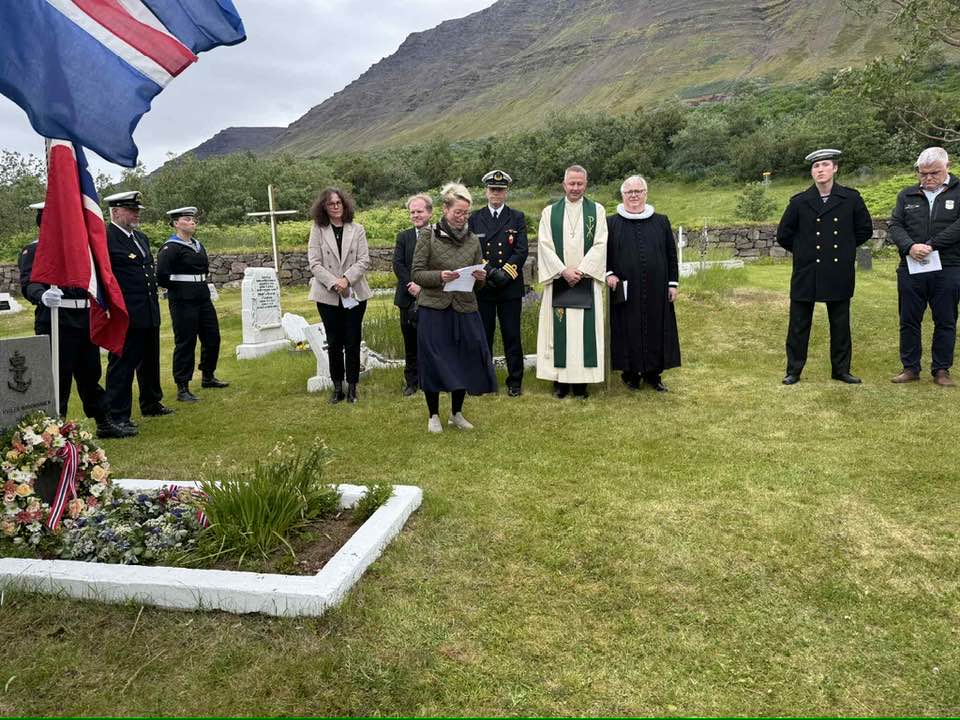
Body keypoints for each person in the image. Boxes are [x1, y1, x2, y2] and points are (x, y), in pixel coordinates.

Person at [17, 202, 127, 438]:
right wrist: (42, 295)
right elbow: (29, 283)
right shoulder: (35, 250)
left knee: (90, 374)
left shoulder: (79, 250)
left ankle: (104, 421)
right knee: (59, 378)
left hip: (82, 318)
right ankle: (55, 430)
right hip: (56, 319)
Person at [775, 149, 873, 385]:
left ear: (835, 168)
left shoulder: (851, 198)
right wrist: (803, 252)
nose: (820, 170)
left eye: (825, 165)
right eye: (815, 166)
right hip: (806, 270)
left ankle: (841, 370)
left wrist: (844, 249)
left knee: (840, 323)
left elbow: (864, 230)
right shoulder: (799, 201)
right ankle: (794, 370)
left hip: (838, 270)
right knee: (799, 324)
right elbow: (783, 234)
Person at [411, 182, 496, 432]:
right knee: (434, 360)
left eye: (466, 213)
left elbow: (475, 285)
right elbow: (417, 273)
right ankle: (433, 415)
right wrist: (440, 276)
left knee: (465, 358)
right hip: (434, 309)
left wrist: (480, 279)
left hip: (465, 308)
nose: (462, 217)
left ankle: (456, 413)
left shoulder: (472, 241)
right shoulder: (428, 235)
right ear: (445, 209)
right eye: (458, 212)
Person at [888, 147, 960, 387]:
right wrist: (910, 247)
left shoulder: (958, 192)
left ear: (947, 166)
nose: (928, 178)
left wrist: (931, 245)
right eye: (923, 173)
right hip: (911, 266)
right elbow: (895, 226)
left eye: (934, 173)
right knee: (908, 318)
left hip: (948, 266)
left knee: (945, 319)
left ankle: (941, 370)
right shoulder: (906, 195)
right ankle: (910, 367)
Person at [101, 190, 172, 433]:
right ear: (116, 211)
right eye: (132, 210)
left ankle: (151, 401)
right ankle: (117, 415)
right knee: (123, 363)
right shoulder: (106, 237)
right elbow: (105, 277)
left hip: (148, 309)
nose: (136, 214)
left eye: (137, 210)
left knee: (149, 359)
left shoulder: (139, 238)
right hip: (126, 311)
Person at [535, 164, 608, 398]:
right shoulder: (549, 213)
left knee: (583, 335)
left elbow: (601, 243)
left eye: (580, 183)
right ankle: (560, 382)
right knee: (559, 334)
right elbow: (544, 245)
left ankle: (582, 383)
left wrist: (583, 270)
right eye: (571, 183)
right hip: (559, 279)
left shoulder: (597, 211)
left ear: (586, 184)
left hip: (586, 280)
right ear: (563, 184)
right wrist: (562, 270)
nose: (575, 188)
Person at [605, 176, 681, 392]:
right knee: (628, 329)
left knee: (657, 327)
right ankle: (630, 374)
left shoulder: (661, 221)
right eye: (630, 192)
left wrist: (672, 284)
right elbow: (604, 254)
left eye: (639, 191)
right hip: (626, 289)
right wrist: (609, 273)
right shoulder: (611, 223)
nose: (634, 195)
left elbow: (671, 254)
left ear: (646, 193)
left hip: (658, 288)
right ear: (623, 195)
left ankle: (653, 375)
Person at [156, 206, 228, 402]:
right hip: (182, 300)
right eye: (187, 219)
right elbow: (162, 276)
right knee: (186, 342)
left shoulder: (198, 245)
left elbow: (203, 270)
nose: (192, 222)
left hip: (202, 297)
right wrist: (180, 289)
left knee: (212, 336)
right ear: (176, 223)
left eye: (193, 219)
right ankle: (182, 386)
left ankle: (208, 375)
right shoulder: (170, 248)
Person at [307, 187, 371, 404]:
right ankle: (337, 387)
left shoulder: (357, 229)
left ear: (345, 205)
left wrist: (346, 280)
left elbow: (364, 260)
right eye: (330, 204)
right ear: (323, 207)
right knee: (334, 342)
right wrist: (335, 283)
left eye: (338, 203)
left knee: (352, 340)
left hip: (354, 292)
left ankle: (353, 387)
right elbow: (314, 263)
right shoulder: (318, 229)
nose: (335, 207)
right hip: (327, 295)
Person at [468, 170, 529, 397]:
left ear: (506, 192)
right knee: (484, 335)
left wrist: (506, 272)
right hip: (484, 285)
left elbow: (521, 249)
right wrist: (491, 272)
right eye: (493, 190)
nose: (496, 194)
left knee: (511, 335)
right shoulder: (474, 218)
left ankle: (515, 381)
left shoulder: (517, 217)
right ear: (486, 191)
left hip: (510, 286)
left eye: (500, 190)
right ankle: (484, 379)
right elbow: (472, 250)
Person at [393, 193, 433, 396]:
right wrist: (412, 284)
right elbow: (398, 264)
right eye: (412, 212)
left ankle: (430, 381)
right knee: (410, 341)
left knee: (431, 342)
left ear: (430, 212)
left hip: (433, 297)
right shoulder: (404, 237)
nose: (416, 215)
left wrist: (424, 287)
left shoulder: (440, 236)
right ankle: (411, 381)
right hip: (407, 297)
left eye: (420, 211)